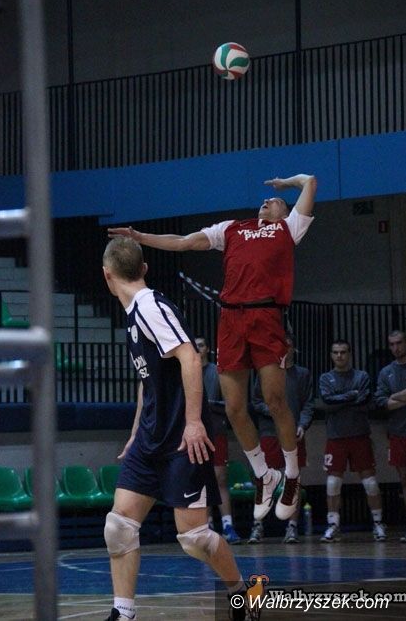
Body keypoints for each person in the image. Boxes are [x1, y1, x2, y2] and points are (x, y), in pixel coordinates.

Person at [108, 173, 317, 525]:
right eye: (266, 199)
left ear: (286, 212)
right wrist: (141, 237)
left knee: (275, 400)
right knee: (234, 408)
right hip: (231, 319)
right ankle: (264, 475)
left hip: (266, 316)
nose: (267, 201)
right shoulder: (232, 229)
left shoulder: (289, 229)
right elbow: (184, 242)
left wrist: (287, 184)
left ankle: (292, 475)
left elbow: (310, 182)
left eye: (275, 202)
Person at [102, 235, 261, 621]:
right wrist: (136, 431)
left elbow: (190, 358)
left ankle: (242, 594)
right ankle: (124, 612)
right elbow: (149, 381)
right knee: (119, 526)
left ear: (107, 275)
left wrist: (192, 423)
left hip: (181, 440)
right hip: (150, 439)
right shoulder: (134, 314)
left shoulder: (150, 307)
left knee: (194, 539)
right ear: (143, 268)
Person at [248, 333, 314, 544]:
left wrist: (302, 424)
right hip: (269, 432)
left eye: (288, 345)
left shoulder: (302, 374)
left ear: (294, 348)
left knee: (294, 480)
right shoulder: (265, 372)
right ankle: (258, 526)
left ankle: (292, 527)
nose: (285, 348)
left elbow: (309, 404)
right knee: (263, 478)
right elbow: (256, 402)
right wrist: (275, 412)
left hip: (294, 434)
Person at [318, 340, 386, 543]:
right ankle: (333, 525)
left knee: (370, 483)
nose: (339, 356)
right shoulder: (326, 378)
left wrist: (339, 399)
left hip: (359, 435)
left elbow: (364, 401)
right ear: (331, 355)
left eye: (343, 352)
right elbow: (326, 403)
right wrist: (351, 396)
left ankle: (378, 523)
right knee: (332, 483)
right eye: (336, 352)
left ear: (350, 354)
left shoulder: (361, 376)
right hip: (336, 436)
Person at [195, 335, 241, 544]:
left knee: (220, 478)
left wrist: (211, 405)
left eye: (201, 345)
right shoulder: (188, 371)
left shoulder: (217, 372)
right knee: (201, 480)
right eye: (195, 346)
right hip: (196, 434)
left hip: (216, 431)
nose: (198, 349)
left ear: (207, 349)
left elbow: (230, 403)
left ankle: (228, 525)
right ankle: (207, 526)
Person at [374, 330, 406, 542]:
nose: (396, 347)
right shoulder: (386, 372)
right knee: (405, 479)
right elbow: (381, 402)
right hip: (397, 433)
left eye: (399, 343)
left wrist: (395, 397)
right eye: (392, 344)